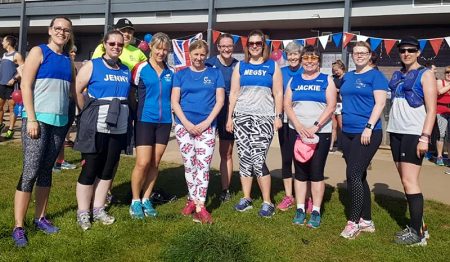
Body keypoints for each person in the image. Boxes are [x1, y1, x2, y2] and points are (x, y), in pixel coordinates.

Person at [12, 16, 75, 247]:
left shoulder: (67, 59)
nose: (61, 32)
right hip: (37, 121)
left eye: (66, 30)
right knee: (30, 172)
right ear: (50, 30)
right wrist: (31, 118)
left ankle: (40, 218)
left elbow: (71, 92)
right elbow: (26, 85)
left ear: (69, 34)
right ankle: (19, 226)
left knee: (46, 171)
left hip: (60, 123)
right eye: (58, 28)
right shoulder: (39, 52)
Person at [73, 30, 131, 230]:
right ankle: (83, 212)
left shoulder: (125, 70)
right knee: (91, 167)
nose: (116, 47)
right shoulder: (93, 65)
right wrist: (85, 111)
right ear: (105, 44)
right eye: (112, 43)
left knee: (108, 168)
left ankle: (98, 208)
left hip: (119, 125)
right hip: (96, 124)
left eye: (120, 44)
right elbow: (77, 89)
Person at [227, 30, 283, 218]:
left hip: (264, 118)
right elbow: (233, 93)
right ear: (247, 46)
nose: (255, 46)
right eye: (251, 43)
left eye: (258, 43)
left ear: (264, 45)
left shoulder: (272, 66)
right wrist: (230, 117)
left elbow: (278, 93)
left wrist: (278, 116)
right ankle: (247, 198)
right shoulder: (240, 66)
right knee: (244, 158)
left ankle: (268, 202)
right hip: (242, 116)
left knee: (258, 160)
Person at [387, 36, 436, 246]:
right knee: (405, 180)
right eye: (402, 50)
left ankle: (417, 234)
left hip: (413, 133)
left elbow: (432, 109)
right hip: (396, 131)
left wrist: (424, 137)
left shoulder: (426, 75)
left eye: (410, 50)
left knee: (410, 181)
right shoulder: (399, 75)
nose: (406, 53)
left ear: (418, 52)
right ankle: (420, 225)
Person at [171, 40, 225, 224]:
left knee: (203, 166)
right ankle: (192, 200)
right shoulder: (181, 75)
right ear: (190, 55)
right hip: (183, 125)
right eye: (196, 54)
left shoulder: (215, 73)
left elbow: (219, 101)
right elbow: (175, 102)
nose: (199, 58)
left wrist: (207, 123)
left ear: (206, 55)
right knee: (189, 165)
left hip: (207, 126)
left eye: (202, 54)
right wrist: (186, 123)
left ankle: (200, 205)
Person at [339, 41, 388, 239]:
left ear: (370, 55)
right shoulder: (349, 76)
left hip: (367, 132)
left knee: (353, 174)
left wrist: (368, 127)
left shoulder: (376, 76)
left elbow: (381, 103)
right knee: (359, 177)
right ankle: (367, 221)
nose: (358, 55)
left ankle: (353, 222)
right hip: (347, 132)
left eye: (363, 52)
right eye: (355, 53)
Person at [284, 45, 337, 228]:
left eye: (313, 58)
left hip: (320, 132)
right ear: (301, 60)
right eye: (306, 58)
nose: (309, 62)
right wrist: (298, 125)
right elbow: (287, 105)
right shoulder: (294, 80)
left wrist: (315, 126)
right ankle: (300, 208)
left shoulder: (327, 80)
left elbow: (331, 106)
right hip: (296, 131)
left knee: (316, 172)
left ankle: (315, 210)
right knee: (299, 172)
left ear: (319, 61)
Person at [129, 32, 173, 219]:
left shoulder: (171, 72)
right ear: (151, 48)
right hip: (145, 120)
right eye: (158, 48)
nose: (161, 52)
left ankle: (147, 198)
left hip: (164, 122)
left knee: (155, 162)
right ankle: (135, 200)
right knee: (142, 162)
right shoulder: (140, 68)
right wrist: (133, 116)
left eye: (165, 49)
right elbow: (131, 94)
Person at [205, 33, 239, 203]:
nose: (226, 49)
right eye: (223, 46)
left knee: (226, 153)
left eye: (229, 46)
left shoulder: (238, 65)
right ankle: (198, 188)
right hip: (210, 110)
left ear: (233, 48)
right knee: (204, 151)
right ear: (218, 47)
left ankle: (225, 189)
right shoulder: (209, 63)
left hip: (229, 111)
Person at [277, 41, 303, 211]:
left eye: (295, 54)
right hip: (285, 121)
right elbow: (276, 94)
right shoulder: (281, 72)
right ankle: (289, 196)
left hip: (302, 122)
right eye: (290, 54)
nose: (293, 57)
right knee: (286, 158)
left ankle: (306, 196)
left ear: (300, 56)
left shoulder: (306, 70)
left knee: (302, 159)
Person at [53, 45, 78, 172]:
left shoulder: (72, 66)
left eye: (75, 52)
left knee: (63, 133)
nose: (73, 54)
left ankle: (59, 161)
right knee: (59, 133)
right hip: (62, 102)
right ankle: (57, 161)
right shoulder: (62, 64)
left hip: (70, 101)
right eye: (71, 52)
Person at [0, 35, 24, 139]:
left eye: (3, 41)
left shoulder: (17, 55)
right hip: (1, 85)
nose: (2, 43)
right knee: (0, 107)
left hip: (12, 87)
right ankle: (1, 125)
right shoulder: (4, 55)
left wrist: (14, 79)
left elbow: (23, 69)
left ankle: (10, 129)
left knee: (11, 108)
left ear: (8, 43)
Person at [435, 66, 450, 166]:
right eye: (447, 72)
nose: (449, 74)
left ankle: (449, 158)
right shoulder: (440, 82)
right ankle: (440, 156)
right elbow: (440, 91)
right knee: (441, 134)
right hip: (441, 110)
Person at [330, 60, 345, 152]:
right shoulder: (333, 78)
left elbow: (344, 90)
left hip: (341, 103)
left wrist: (337, 90)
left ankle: (344, 145)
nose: (336, 72)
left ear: (342, 68)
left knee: (341, 125)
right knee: (333, 126)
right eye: (334, 70)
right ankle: (331, 145)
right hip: (333, 103)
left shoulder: (345, 77)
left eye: (337, 70)